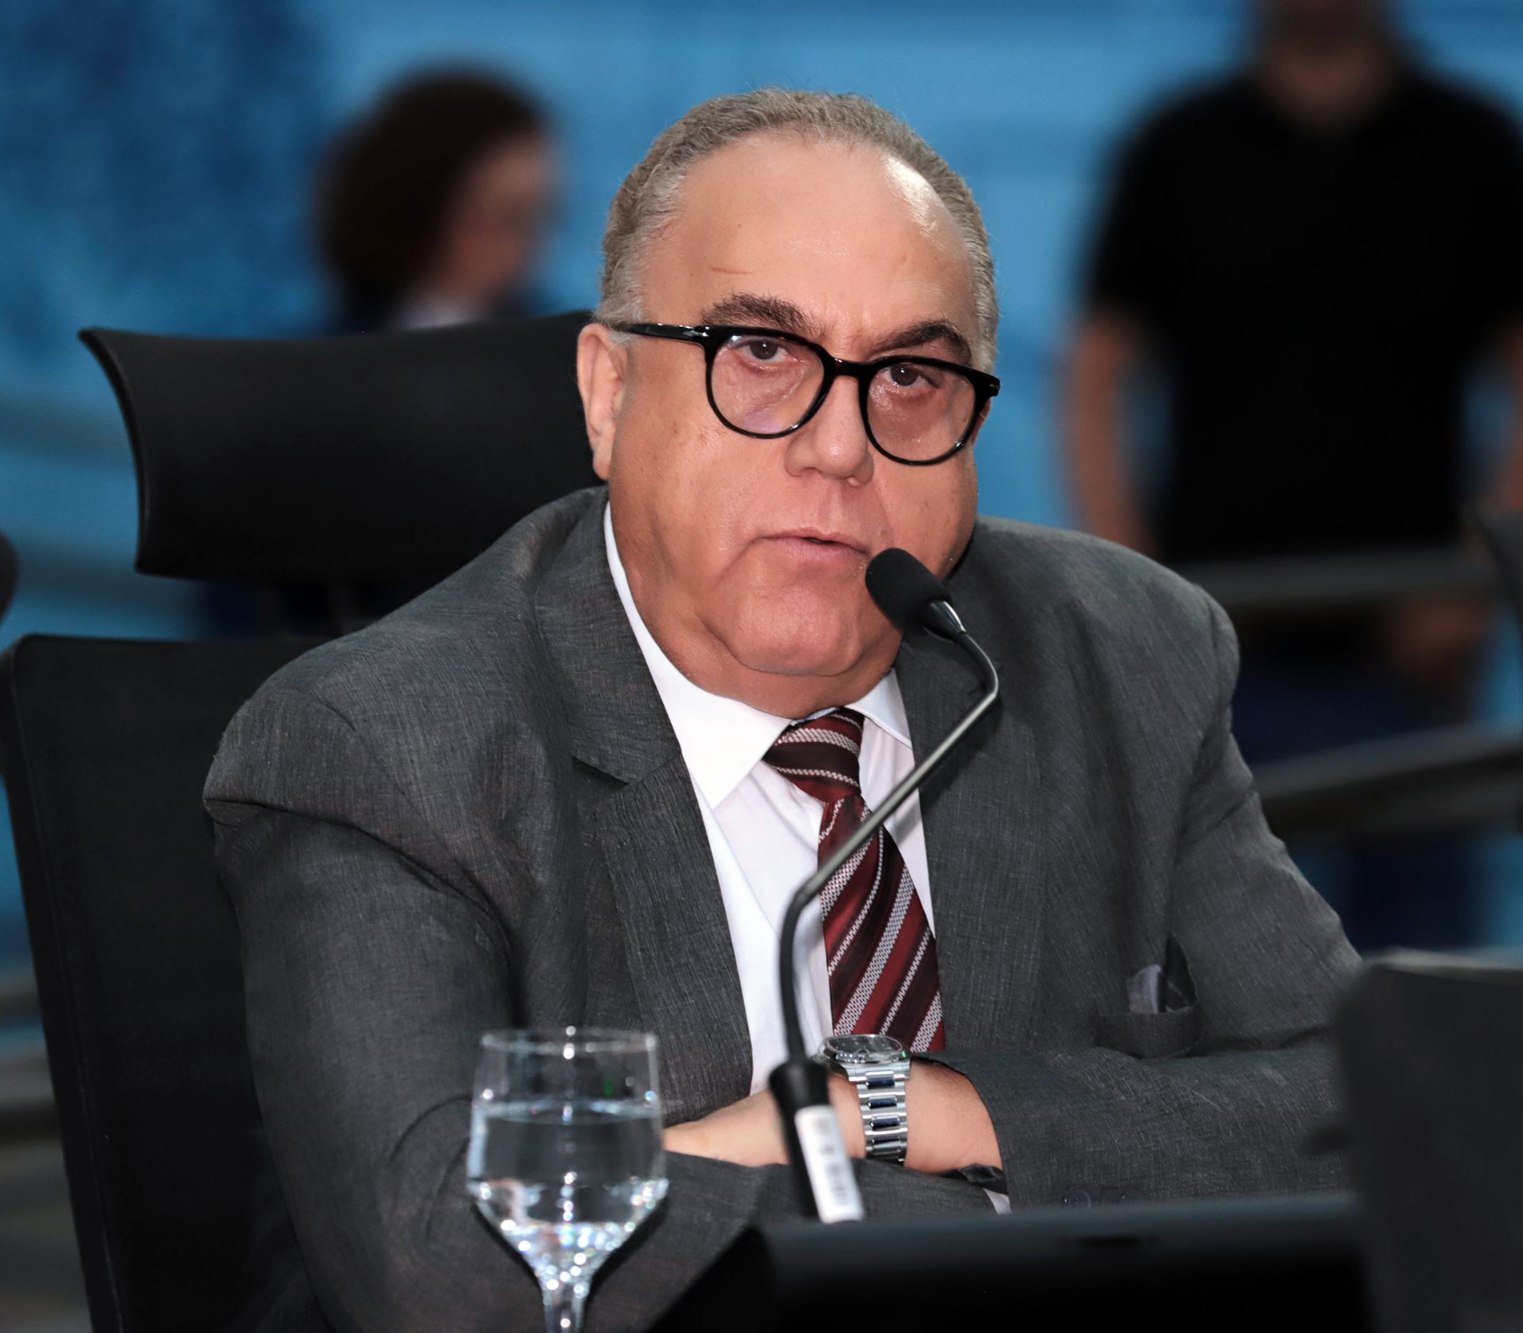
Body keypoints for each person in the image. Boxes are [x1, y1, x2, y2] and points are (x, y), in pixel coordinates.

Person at [207, 90, 1358, 1332]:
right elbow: (450, 1269)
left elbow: (1386, 1110)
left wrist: (900, 1108)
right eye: (760, 354)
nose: (838, 447)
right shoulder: (384, 744)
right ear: (607, 395)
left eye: (907, 374)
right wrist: (1029, 1213)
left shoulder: (1120, 653)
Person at [1064, 0, 1523, 949]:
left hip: (1411, 655)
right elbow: (1097, 373)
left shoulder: (1473, 146)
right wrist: (1132, 592)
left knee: (1421, 978)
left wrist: (1473, 584)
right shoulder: (1178, 145)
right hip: (1217, 648)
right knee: (1198, 963)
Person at [315, 69, 557, 333]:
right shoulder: (320, 348)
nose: (533, 245)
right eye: (508, 218)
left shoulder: (560, 346)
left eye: (541, 216)